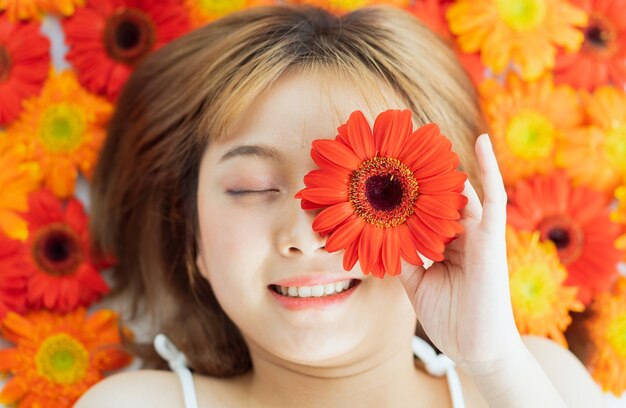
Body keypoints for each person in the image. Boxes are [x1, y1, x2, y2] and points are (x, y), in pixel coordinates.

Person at [75, 4, 604, 407]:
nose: (305, 234)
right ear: (192, 237)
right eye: (253, 188)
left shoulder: (533, 380)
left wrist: (493, 364)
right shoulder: (137, 403)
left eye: (372, 187)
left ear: (448, 213)